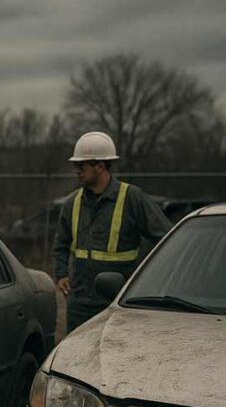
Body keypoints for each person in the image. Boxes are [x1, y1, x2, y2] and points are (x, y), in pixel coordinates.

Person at [54, 131, 171, 332]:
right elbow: (61, 244)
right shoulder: (72, 203)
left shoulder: (131, 198)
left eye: (81, 165)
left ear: (100, 165)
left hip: (119, 303)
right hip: (80, 303)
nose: (76, 170)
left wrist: (144, 276)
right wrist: (61, 274)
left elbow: (166, 238)